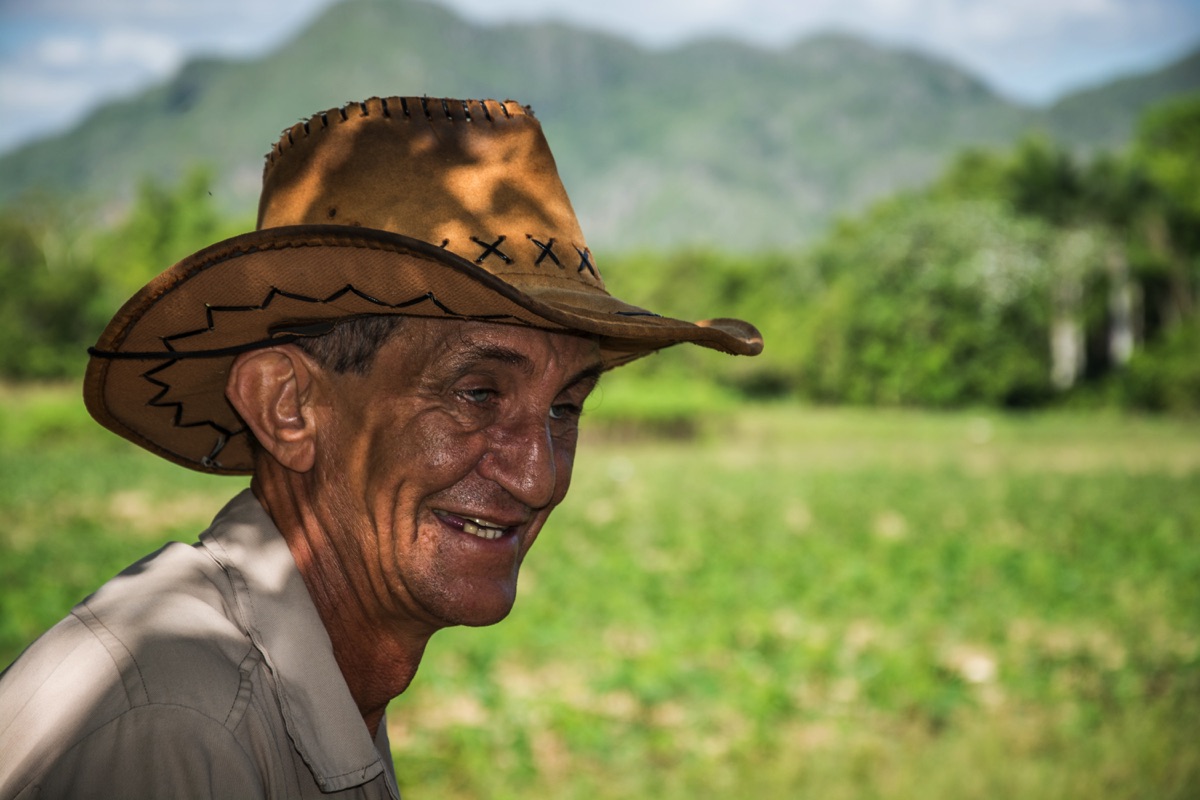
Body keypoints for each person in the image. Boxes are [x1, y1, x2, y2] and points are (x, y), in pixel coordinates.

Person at [0, 96, 762, 798]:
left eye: (565, 408)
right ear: (288, 406)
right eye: (478, 394)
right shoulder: (178, 725)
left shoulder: (305, 685)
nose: (539, 478)